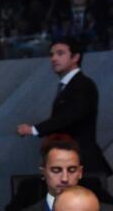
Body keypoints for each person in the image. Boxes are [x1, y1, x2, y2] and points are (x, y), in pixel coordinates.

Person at [16, 38, 111, 176]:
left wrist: (34, 129)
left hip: (82, 162)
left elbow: (69, 117)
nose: (54, 58)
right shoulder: (68, 86)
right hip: (71, 160)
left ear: (75, 57)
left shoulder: (82, 85)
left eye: (60, 53)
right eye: (52, 54)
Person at [9, 135, 113, 211]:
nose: (64, 178)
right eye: (56, 170)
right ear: (43, 172)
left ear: (80, 172)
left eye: (71, 170)